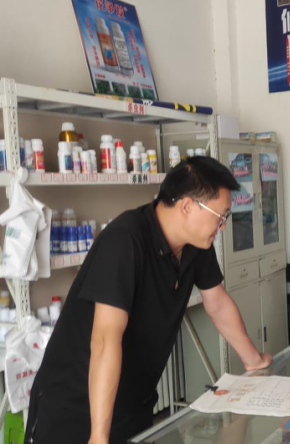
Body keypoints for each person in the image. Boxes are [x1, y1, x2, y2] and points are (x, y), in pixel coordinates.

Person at [26, 156, 272, 444]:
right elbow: (105, 338)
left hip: (132, 403)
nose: (223, 225)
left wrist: (254, 360)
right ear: (188, 206)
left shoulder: (196, 244)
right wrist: (99, 436)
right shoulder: (125, 240)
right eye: (221, 216)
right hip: (77, 409)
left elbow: (217, 303)